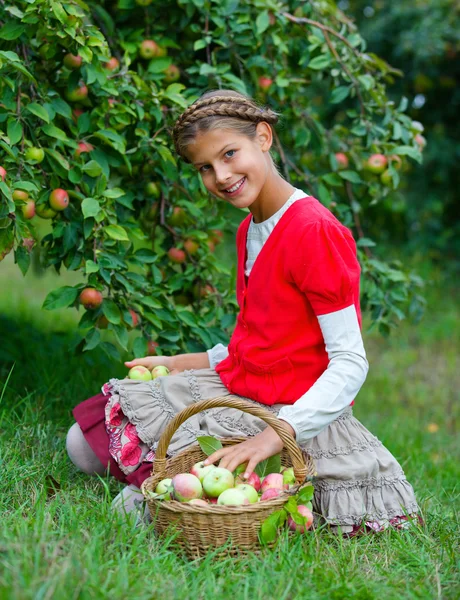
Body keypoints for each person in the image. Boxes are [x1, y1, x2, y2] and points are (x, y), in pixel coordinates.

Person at [66, 89, 420, 535]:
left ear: (264, 137)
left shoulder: (313, 232)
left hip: (290, 410)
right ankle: (175, 481)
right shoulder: (250, 227)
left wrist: (275, 435)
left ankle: (185, 488)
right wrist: (180, 364)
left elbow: (350, 362)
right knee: (80, 445)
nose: (222, 175)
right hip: (245, 386)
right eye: (205, 168)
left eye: (230, 154)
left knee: (144, 512)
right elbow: (265, 340)